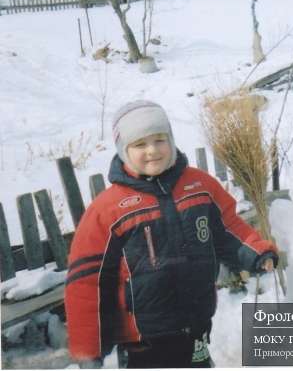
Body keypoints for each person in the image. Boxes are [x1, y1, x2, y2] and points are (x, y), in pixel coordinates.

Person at [65, 100, 278, 368]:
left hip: (196, 323)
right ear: (123, 150)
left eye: (159, 140)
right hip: (144, 341)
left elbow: (229, 229)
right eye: (140, 144)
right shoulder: (107, 210)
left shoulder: (200, 186)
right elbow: (86, 282)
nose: (152, 150)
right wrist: (88, 349)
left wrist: (257, 252)